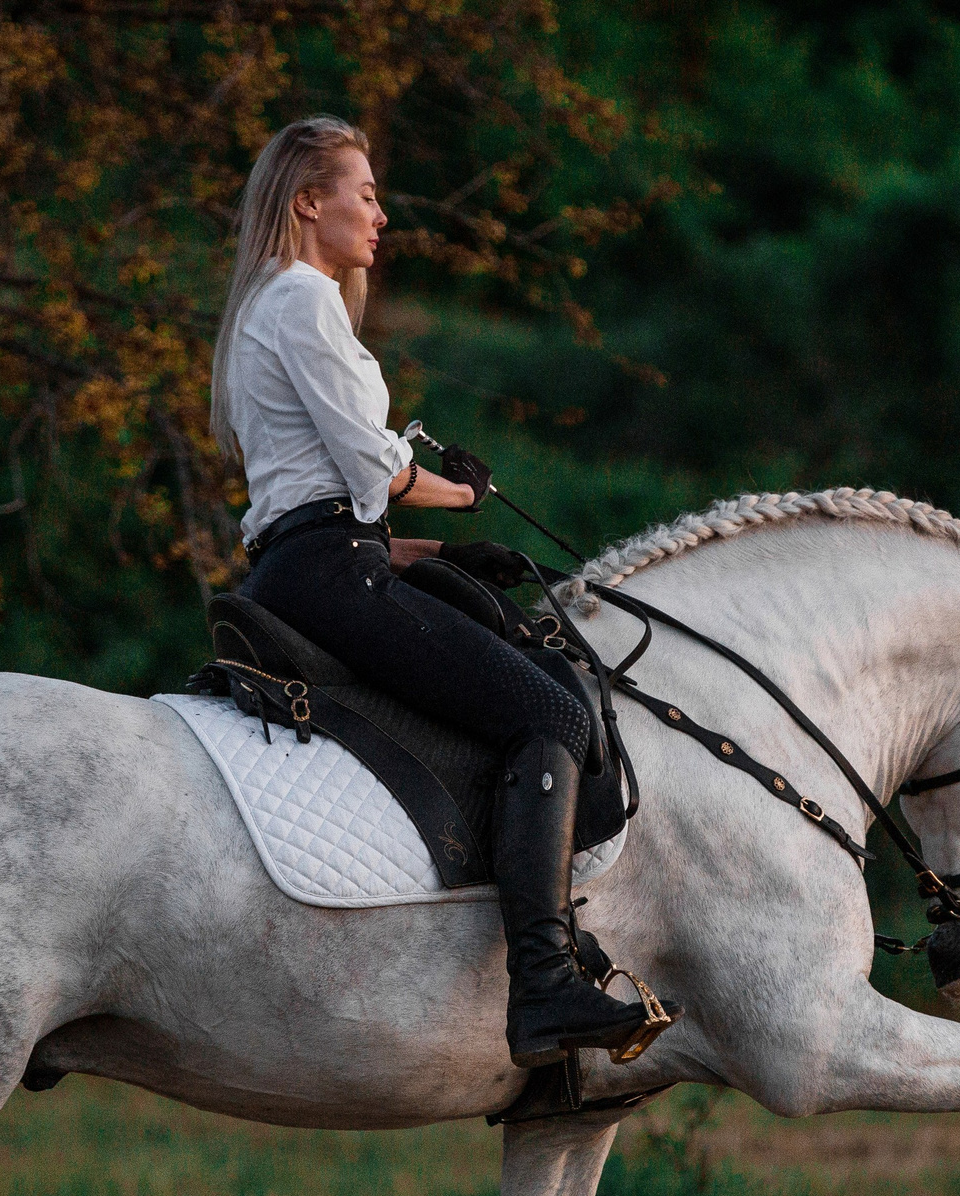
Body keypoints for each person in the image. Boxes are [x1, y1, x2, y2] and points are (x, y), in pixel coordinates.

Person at [211, 115, 668, 1071]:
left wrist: (425, 551)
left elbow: (318, 499)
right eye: (365, 194)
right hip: (330, 570)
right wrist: (458, 492)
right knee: (552, 711)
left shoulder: (269, 303)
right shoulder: (301, 299)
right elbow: (371, 464)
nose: (381, 215)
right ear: (307, 200)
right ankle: (541, 982)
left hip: (319, 560)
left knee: (505, 642)